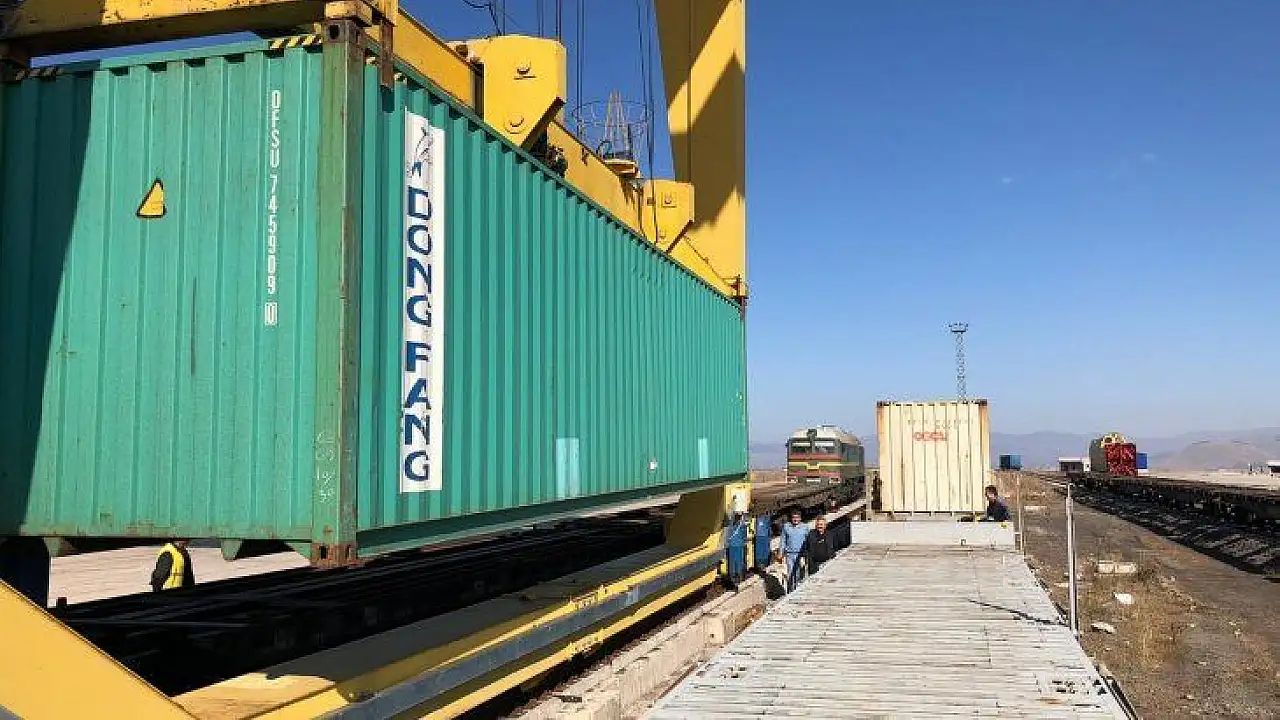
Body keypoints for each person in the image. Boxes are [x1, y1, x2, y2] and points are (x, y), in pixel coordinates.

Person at [780, 509, 808, 592]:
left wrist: (807, 554)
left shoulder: (805, 527)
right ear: (791, 518)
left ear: (800, 518)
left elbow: (808, 540)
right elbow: (783, 541)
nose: (795, 519)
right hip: (790, 554)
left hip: (800, 554)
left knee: (798, 573)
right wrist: (780, 553)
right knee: (790, 573)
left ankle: (798, 589)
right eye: (793, 517)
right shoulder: (786, 527)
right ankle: (790, 590)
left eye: (797, 517)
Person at [725, 511, 749, 591]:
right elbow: (744, 537)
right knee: (738, 563)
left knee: (732, 564)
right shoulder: (742, 525)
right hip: (739, 546)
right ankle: (737, 581)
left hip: (732, 547)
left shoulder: (729, 526)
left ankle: (734, 581)